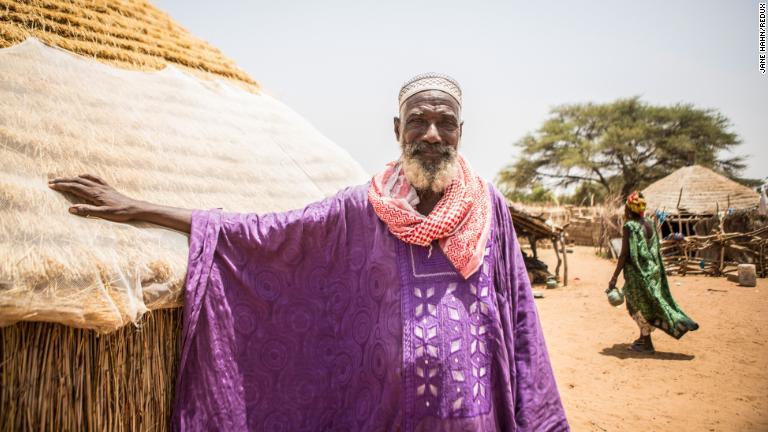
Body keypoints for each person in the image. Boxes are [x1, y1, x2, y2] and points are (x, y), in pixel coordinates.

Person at [49, 73, 568, 431]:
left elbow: (520, 319)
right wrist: (138, 206)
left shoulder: (489, 208)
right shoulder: (362, 211)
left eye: (445, 122)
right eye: (418, 121)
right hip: (382, 418)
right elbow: (268, 234)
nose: (431, 134)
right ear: (397, 130)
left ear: (460, 131)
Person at [608, 191, 699, 353]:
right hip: (652, 270)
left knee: (635, 305)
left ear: (629, 210)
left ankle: (647, 342)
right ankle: (644, 338)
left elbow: (624, 254)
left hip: (637, 274)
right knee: (650, 303)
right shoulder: (649, 223)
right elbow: (655, 249)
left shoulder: (630, 226)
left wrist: (614, 278)